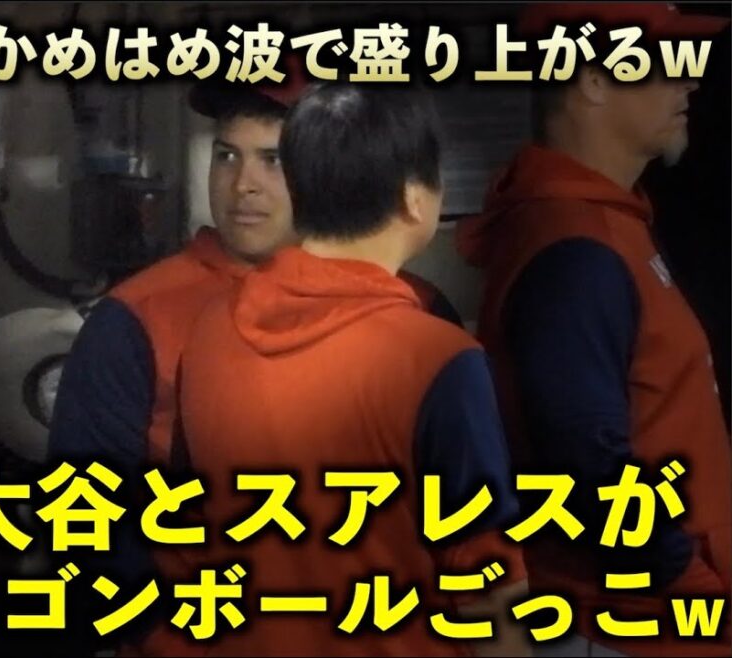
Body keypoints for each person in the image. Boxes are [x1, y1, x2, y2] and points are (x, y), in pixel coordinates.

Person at [46, 59, 464, 652]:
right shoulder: (135, 317)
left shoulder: (416, 311)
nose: (243, 184)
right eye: (226, 155)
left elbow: (466, 510)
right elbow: (85, 517)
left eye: (274, 159)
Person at [163, 83, 530, 656]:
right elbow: (485, 576)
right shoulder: (436, 357)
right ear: (414, 197)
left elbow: (186, 517)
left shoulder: (210, 328)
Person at [456, 3, 731, 656]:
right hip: (637, 627)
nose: (689, 79)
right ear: (594, 80)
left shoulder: (604, 223)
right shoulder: (576, 249)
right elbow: (585, 464)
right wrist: (689, 580)